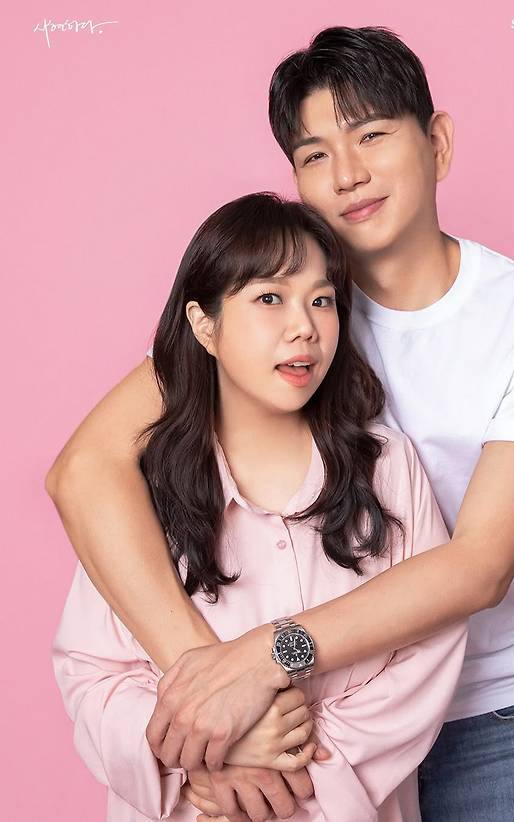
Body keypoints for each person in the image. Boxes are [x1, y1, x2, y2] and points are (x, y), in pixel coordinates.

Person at [46, 26, 514, 822]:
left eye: (371, 136)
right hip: (299, 721)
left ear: (437, 143)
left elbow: (478, 566)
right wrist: (211, 696)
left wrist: (263, 660)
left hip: (496, 720)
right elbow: (84, 468)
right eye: (314, 154)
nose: (347, 174)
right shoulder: (278, 318)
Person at [52, 193, 468, 822]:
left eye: (321, 300)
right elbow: (94, 670)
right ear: (204, 326)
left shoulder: (386, 466)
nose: (304, 326)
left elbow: (426, 648)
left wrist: (292, 761)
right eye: (270, 298)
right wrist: (202, 754)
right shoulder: (143, 486)